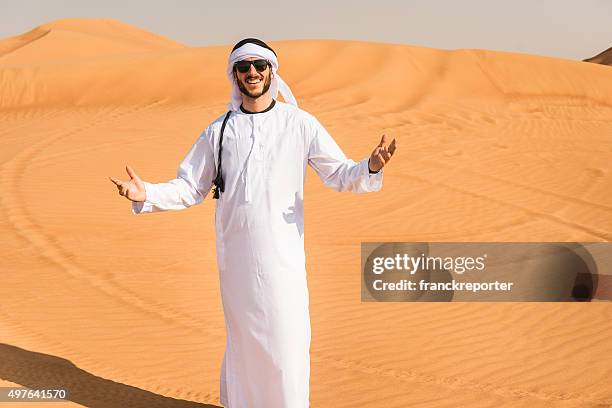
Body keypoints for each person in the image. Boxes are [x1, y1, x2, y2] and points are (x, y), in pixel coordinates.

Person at [109, 38, 396, 408]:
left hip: (283, 259)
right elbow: (190, 187)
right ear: (235, 75)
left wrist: (369, 167)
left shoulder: (299, 124)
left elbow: (339, 174)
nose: (253, 73)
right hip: (238, 261)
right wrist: (145, 192)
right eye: (244, 67)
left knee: (288, 340)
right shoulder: (219, 131)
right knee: (245, 342)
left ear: (272, 71)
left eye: (260, 65)